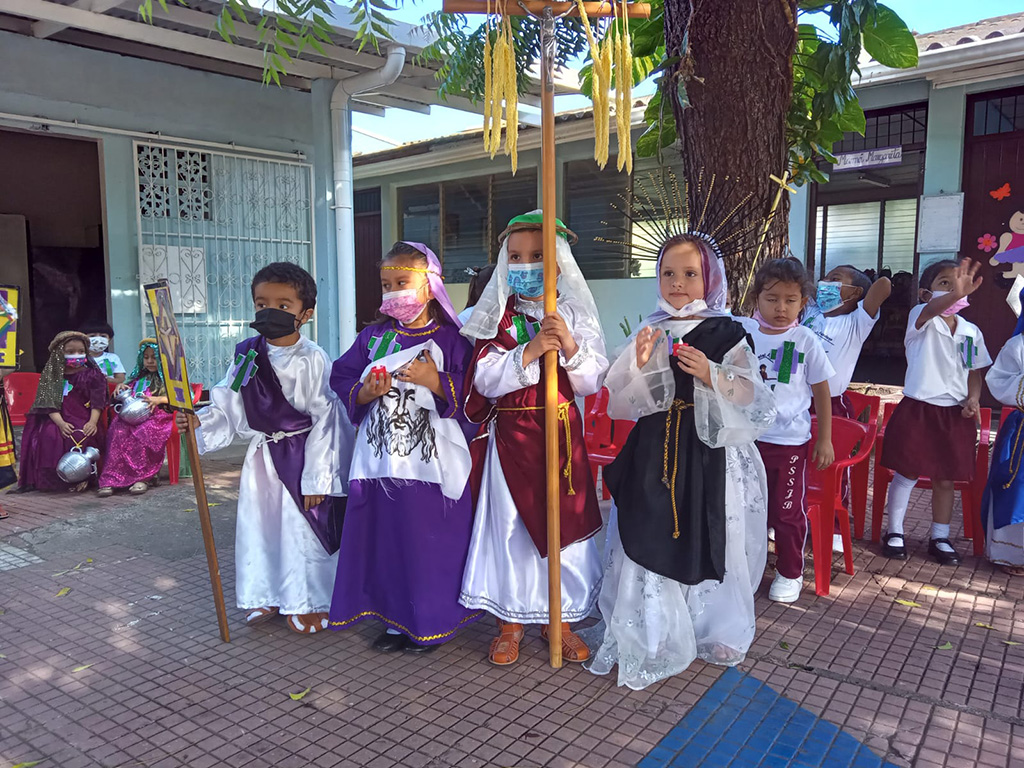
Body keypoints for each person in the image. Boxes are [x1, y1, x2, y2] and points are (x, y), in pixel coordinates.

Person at [588, 234, 775, 689]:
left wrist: (712, 373)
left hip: (710, 451)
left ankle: (713, 626)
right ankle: (651, 630)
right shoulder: (650, 329)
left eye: (690, 274)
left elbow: (753, 397)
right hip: (656, 448)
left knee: (714, 531)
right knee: (646, 525)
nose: (678, 283)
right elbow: (627, 402)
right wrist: (636, 364)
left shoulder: (729, 331)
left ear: (708, 279)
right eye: (668, 273)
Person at [460, 211, 608, 666]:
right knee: (511, 531)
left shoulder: (575, 313)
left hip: (562, 436)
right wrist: (528, 350)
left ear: (559, 263)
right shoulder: (492, 316)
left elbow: (591, 381)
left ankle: (558, 621)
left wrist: (567, 345)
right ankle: (510, 622)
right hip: (512, 439)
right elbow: (483, 379)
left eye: (538, 257)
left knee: (562, 527)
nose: (526, 265)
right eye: (517, 256)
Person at [182, 263, 351, 634]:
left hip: (302, 455)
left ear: (305, 314)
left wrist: (319, 477)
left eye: (283, 305)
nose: (269, 312)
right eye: (262, 304)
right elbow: (228, 404)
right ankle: (268, 593)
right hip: (262, 459)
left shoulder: (312, 357)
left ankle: (308, 600)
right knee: (262, 527)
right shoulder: (246, 354)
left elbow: (326, 418)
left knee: (301, 531)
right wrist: (198, 423)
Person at [329, 242, 479, 653]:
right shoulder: (372, 337)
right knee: (387, 542)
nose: (393, 292)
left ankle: (431, 621)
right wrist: (362, 393)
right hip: (381, 462)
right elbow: (341, 378)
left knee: (428, 544)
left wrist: (437, 383)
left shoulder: (453, 341)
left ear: (430, 285)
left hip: (430, 465)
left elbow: (476, 394)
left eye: (403, 283)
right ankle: (394, 619)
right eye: (386, 284)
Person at [881, 258, 989, 565]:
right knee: (908, 471)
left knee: (946, 478)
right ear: (925, 294)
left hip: (954, 414)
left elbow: (974, 372)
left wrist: (973, 399)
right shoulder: (921, 318)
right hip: (919, 408)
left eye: (958, 283)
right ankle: (895, 531)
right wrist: (955, 294)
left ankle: (939, 536)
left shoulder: (971, 332)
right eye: (945, 283)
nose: (954, 289)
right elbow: (932, 311)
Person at [739, 258, 835, 604]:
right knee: (748, 509)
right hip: (747, 441)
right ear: (757, 299)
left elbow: (822, 391)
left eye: (790, 300)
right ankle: (747, 568)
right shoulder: (743, 332)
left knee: (786, 510)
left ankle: (790, 571)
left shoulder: (805, 339)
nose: (781, 307)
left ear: (803, 302)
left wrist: (823, 438)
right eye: (772, 298)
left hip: (789, 443)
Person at [803, 265, 892, 552]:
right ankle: (794, 518)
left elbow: (883, 286)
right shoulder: (809, 312)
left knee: (830, 468)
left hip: (830, 404)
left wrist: (865, 287)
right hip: (796, 399)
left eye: (835, 279)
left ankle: (835, 528)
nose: (825, 283)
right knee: (797, 460)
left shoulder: (857, 321)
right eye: (826, 277)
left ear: (854, 293)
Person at [17, 331, 107, 493]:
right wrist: (60, 423)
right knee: (50, 435)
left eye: (81, 351)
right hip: (57, 418)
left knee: (82, 433)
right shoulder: (52, 377)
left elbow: (98, 402)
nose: (77, 355)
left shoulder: (93, 375)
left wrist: (92, 422)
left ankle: (84, 478)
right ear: (59, 354)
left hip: (86, 417)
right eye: (70, 352)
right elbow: (48, 404)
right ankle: (57, 480)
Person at [981, 281, 1024, 577]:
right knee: (1016, 487)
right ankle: (1014, 555)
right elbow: (997, 380)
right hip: (1022, 431)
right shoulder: (1019, 344)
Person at [97, 339, 174, 497]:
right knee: (117, 430)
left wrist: (159, 400)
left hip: (159, 415)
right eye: (146, 357)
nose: (150, 361)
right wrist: (120, 387)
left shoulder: (171, 378)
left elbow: (185, 397)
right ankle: (112, 478)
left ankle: (143, 477)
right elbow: (127, 393)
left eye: (155, 357)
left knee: (143, 432)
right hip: (135, 415)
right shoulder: (139, 377)